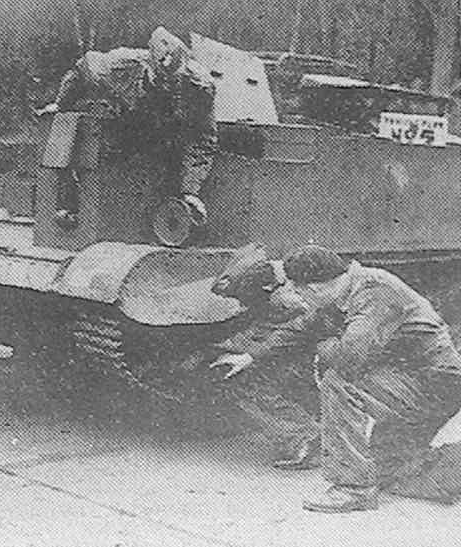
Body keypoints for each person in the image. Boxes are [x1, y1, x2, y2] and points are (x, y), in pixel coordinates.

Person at [283, 245, 461, 513]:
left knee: (339, 382)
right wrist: (248, 355)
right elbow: (301, 327)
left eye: (298, 291)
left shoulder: (374, 290)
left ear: (315, 289)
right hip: (411, 382)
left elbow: (348, 357)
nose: (297, 297)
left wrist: (324, 344)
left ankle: (353, 489)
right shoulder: (347, 290)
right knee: (390, 470)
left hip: (434, 384)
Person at [38, 27, 217, 236]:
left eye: (176, 80)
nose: (170, 86)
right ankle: (68, 203)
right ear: (150, 65)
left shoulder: (199, 87)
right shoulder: (121, 66)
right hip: (127, 122)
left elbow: (202, 140)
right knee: (65, 123)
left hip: (167, 133)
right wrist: (60, 104)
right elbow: (81, 69)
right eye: (164, 81)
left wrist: (190, 190)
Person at [210, 259, 340, 469]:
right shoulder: (281, 276)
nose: (242, 304)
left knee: (245, 384)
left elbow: (278, 335)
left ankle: (305, 440)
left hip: (311, 359)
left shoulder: (286, 302)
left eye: (244, 298)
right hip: (306, 354)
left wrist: (243, 354)